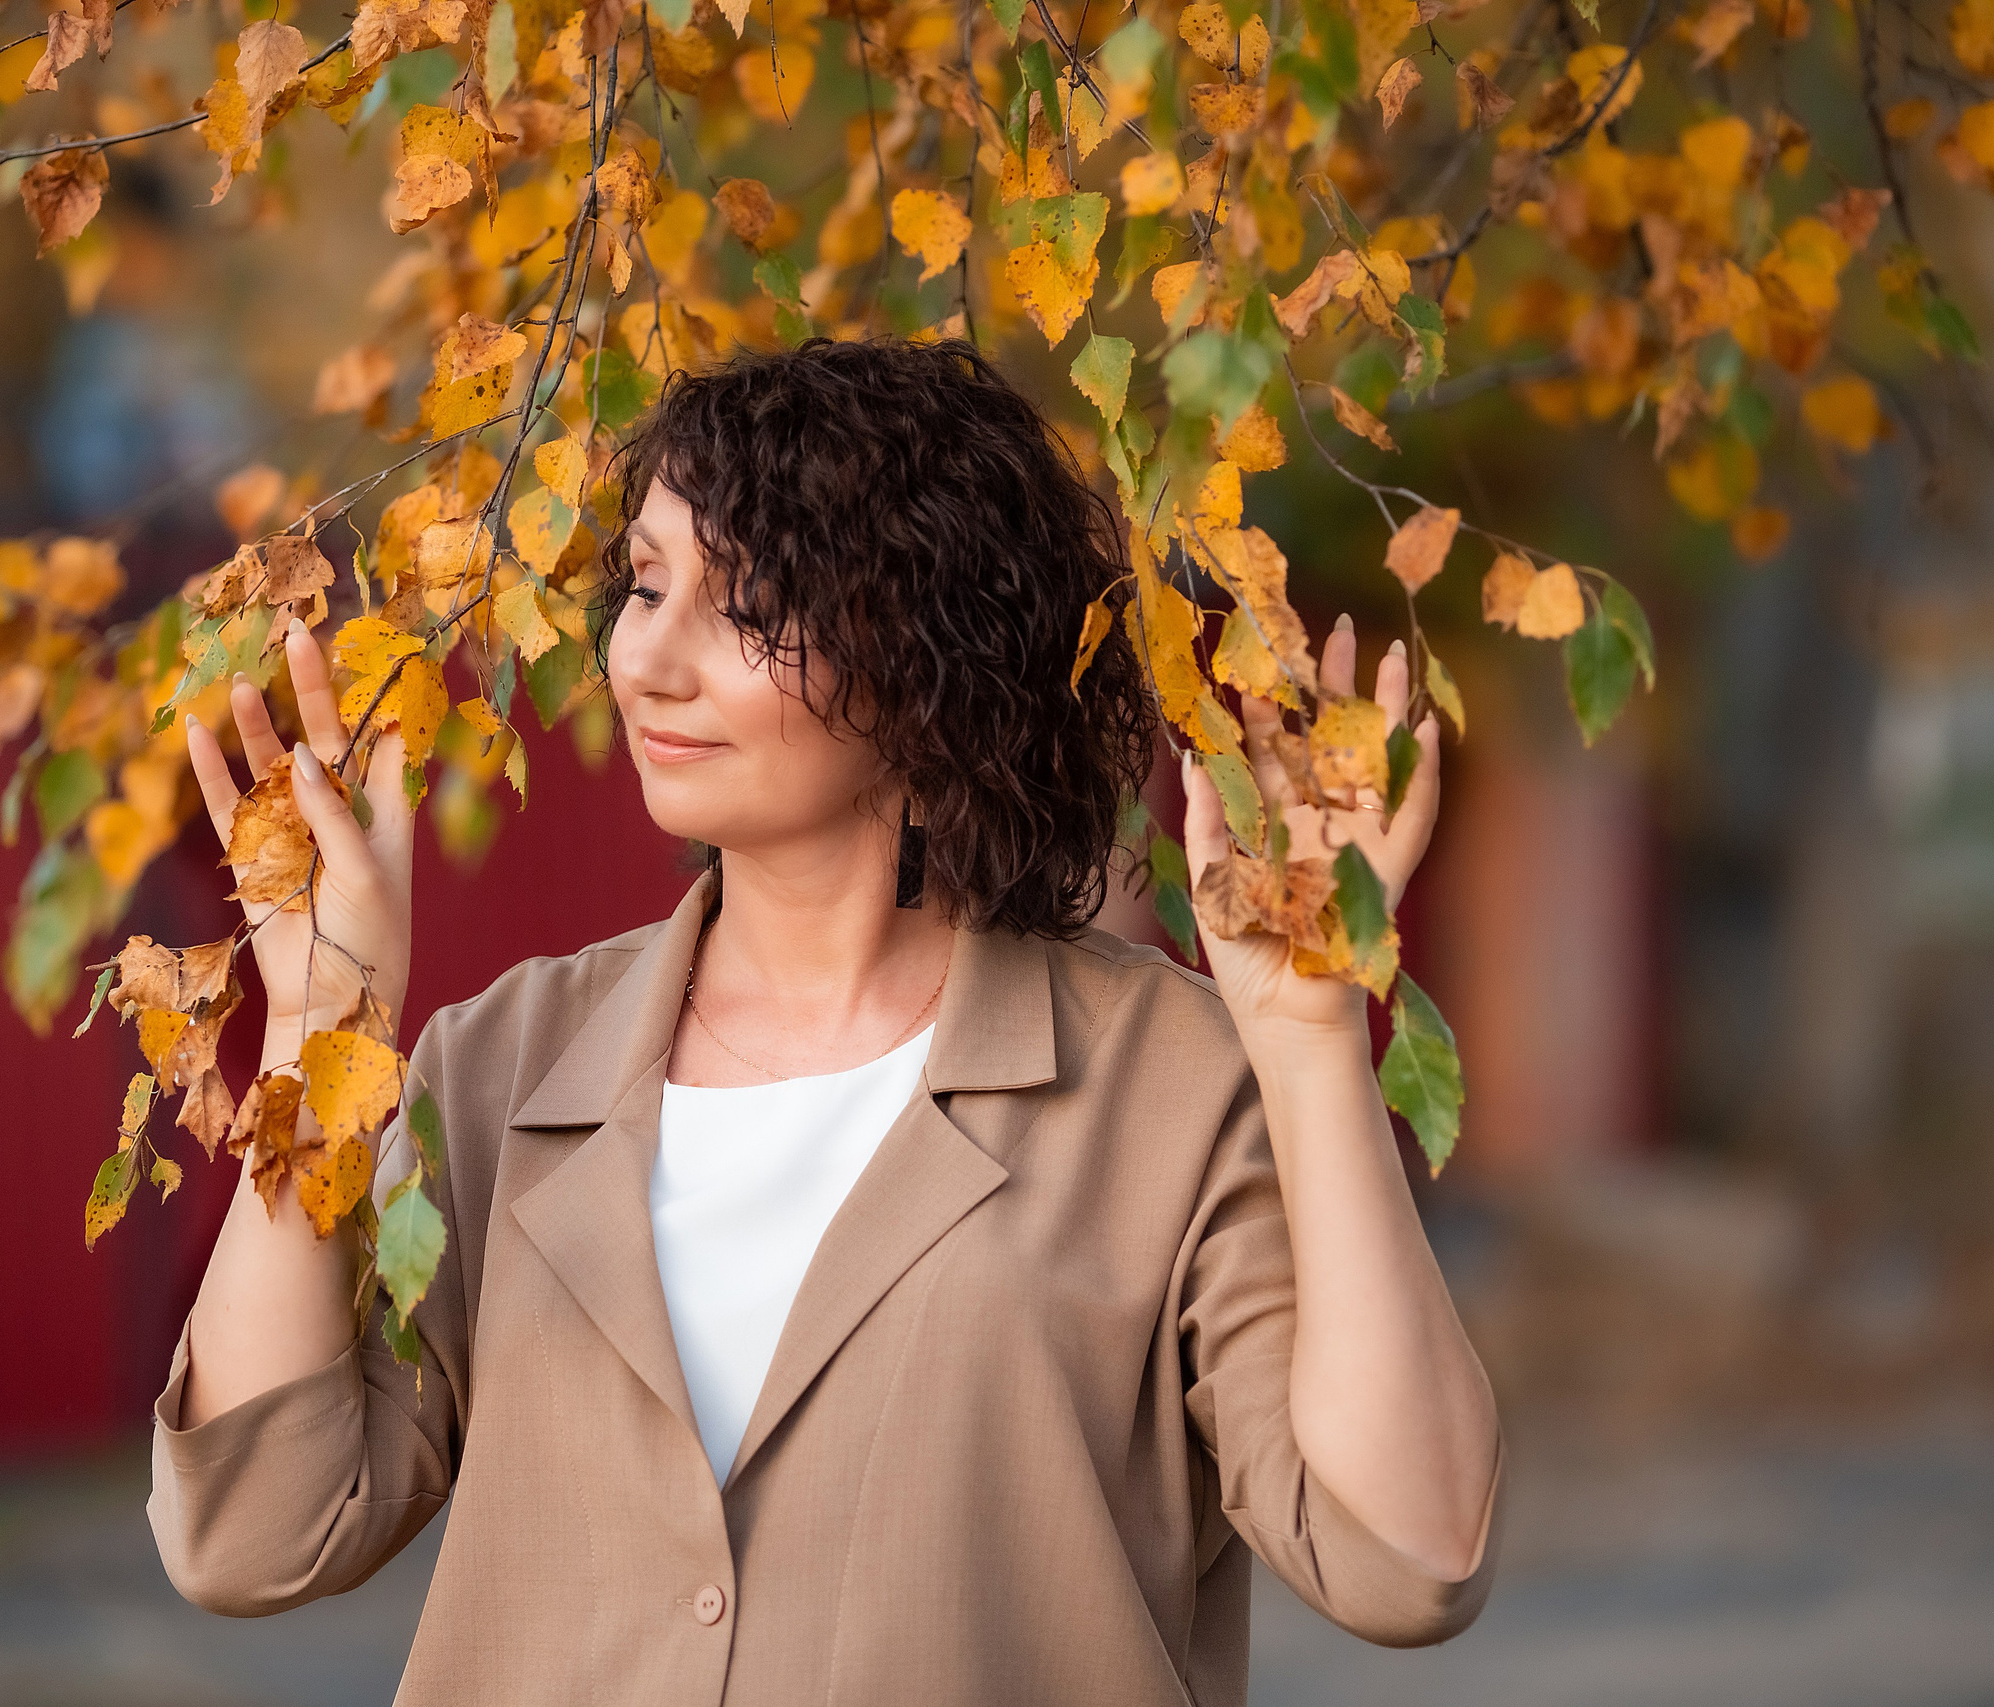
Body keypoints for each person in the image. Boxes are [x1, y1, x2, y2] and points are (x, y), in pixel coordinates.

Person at [149, 337, 1503, 1705]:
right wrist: (320, 1021)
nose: (650, 662)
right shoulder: (502, 1063)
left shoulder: (1173, 1088)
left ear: (928, 657)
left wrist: (1319, 1045)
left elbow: (1410, 1559)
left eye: (745, 607)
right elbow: (255, 1535)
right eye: (650, 584)